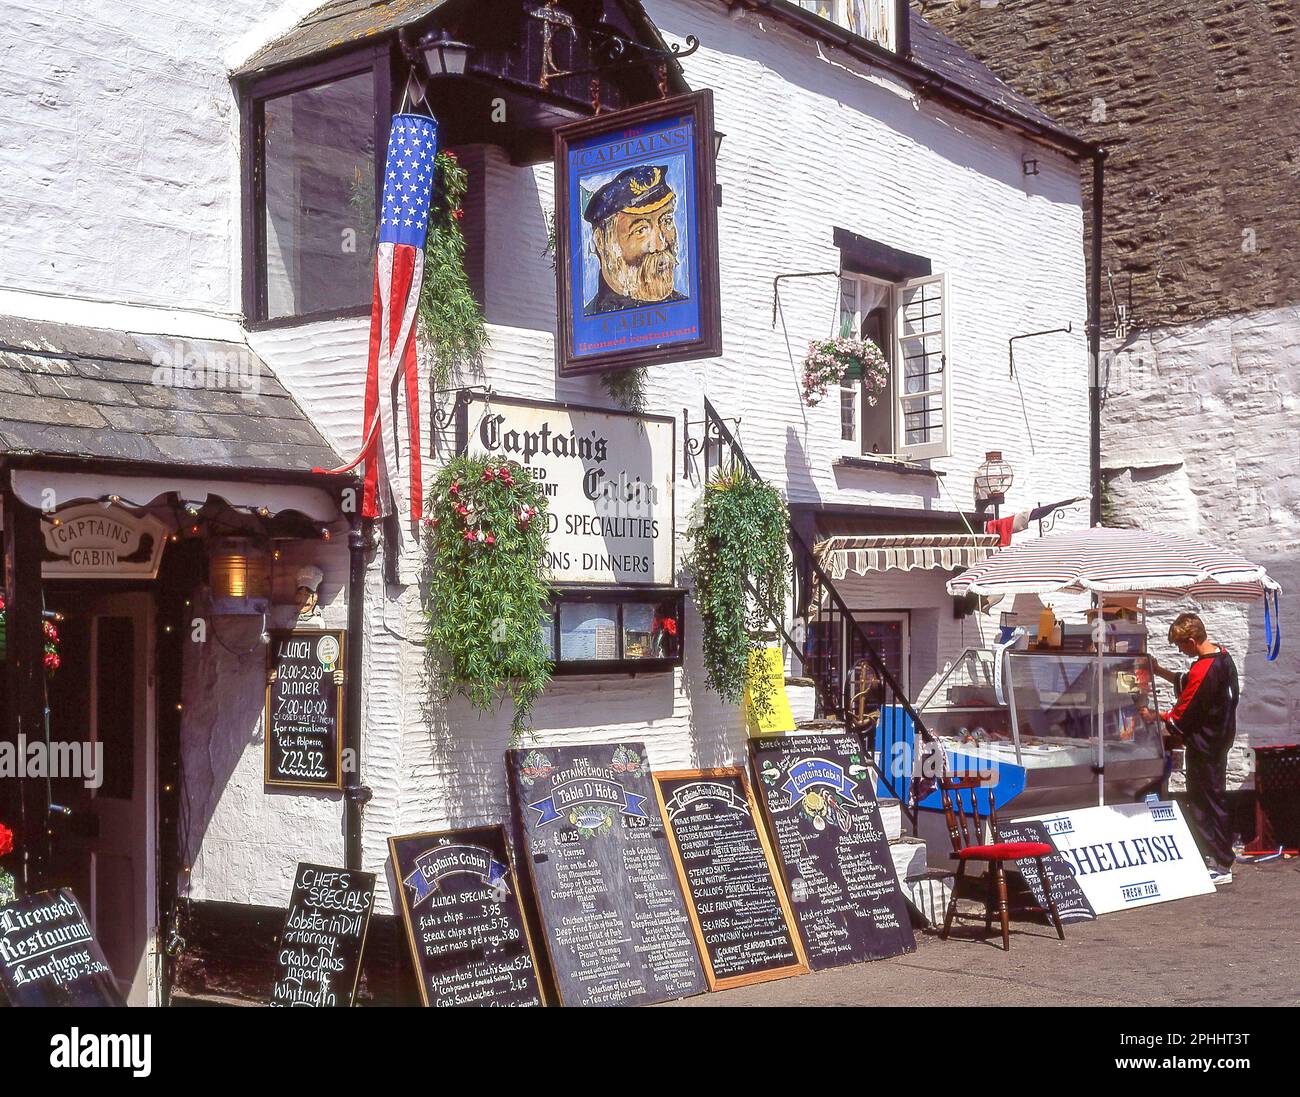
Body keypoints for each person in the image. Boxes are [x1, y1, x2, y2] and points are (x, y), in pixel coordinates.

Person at [1146, 613, 1240, 885]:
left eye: (1180, 646)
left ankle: (1221, 863)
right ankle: (1216, 857)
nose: (1180, 650)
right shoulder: (1222, 657)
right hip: (1220, 740)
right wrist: (1161, 671)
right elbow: (1191, 686)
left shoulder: (1203, 670)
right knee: (1213, 799)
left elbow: (1182, 714)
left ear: (1191, 640)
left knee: (1205, 801)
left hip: (1205, 744)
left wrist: (1155, 717)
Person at [582, 165, 687, 315]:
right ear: (601, 241)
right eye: (641, 230)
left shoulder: (688, 312)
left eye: (667, 221)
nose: (661, 244)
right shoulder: (588, 322)